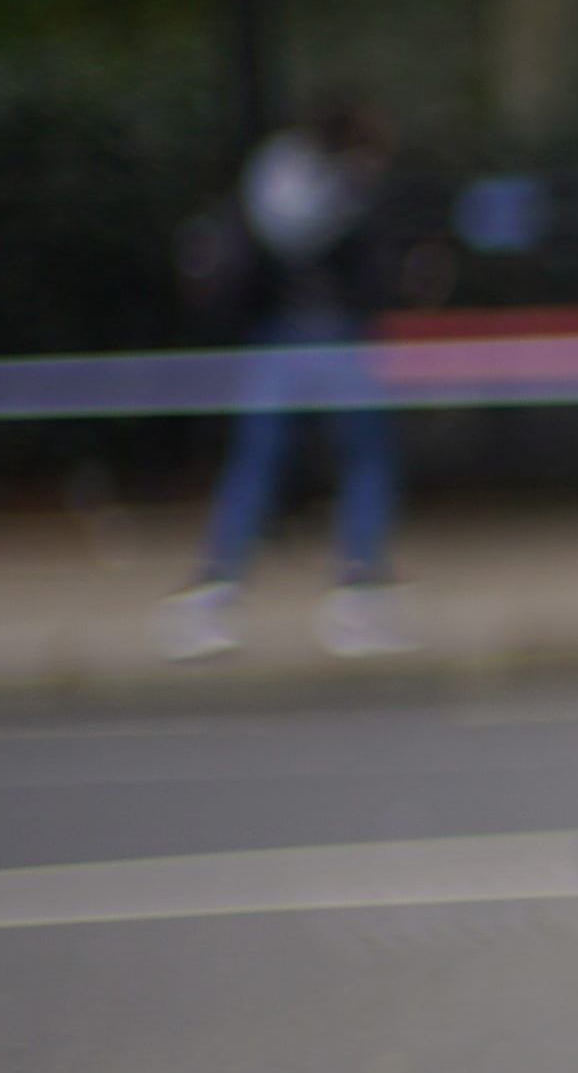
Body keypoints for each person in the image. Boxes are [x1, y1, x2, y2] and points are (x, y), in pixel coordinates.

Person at [168, 103, 419, 659]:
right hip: (338, 338)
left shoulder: (271, 180)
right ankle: (359, 592)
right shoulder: (354, 189)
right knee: (367, 460)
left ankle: (215, 589)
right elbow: (378, 271)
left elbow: (243, 261)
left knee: (256, 462)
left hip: (276, 338)